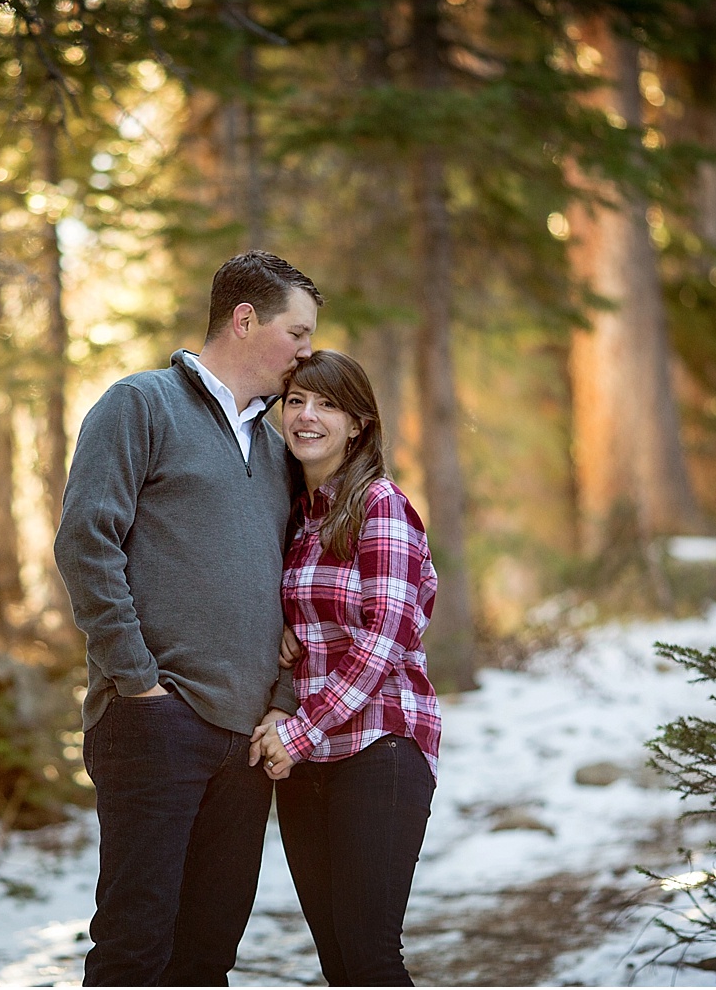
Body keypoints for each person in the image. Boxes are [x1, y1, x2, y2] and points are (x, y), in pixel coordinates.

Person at [54, 251, 322, 986]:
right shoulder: (140, 405)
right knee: (136, 950)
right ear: (244, 320)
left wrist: (279, 698)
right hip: (154, 722)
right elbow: (86, 541)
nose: (308, 352)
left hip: (244, 741)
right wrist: (137, 680)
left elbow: (288, 583)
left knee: (206, 958)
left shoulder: (275, 450)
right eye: (297, 333)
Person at [249, 349, 441, 987]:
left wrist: (296, 733)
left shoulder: (379, 506)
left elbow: (381, 643)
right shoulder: (299, 519)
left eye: (328, 404)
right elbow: (313, 615)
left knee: (369, 957)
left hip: (378, 745)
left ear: (358, 424)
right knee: (339, 962)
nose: (307, 416)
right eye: (297, 400)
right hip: (308, 760)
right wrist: (283, 629)